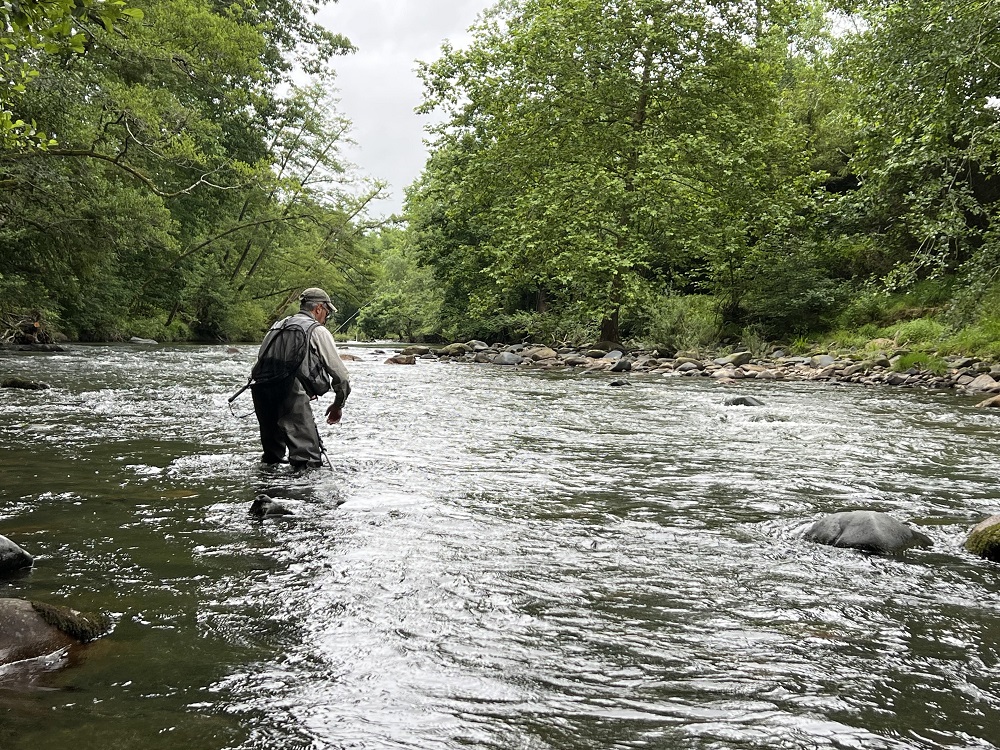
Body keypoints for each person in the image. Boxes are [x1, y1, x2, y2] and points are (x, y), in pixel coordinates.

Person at [251, 287, 351, 468]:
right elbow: (341, 377)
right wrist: (338, 405)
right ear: (318, 308)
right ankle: (302, 494)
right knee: (307, 462)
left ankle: (267, 493)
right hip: (290, 395)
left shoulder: (276, 326)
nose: (325, 318)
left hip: (261, 393)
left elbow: (262, 361)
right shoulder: (318, 331)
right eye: (326, 313)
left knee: (271, 460)